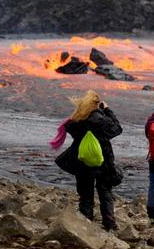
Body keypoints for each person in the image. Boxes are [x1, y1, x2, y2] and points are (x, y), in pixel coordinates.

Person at [53, 90, 123, 231]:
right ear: (97, 105)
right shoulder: (102, 120)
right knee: (105, 192)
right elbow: (117, 129)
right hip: (103, 162)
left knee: (85, 193)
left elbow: (69, 127)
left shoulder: (78, 120)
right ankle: (109, 222)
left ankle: (86, 219)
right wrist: (108, 111)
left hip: (82, 162)